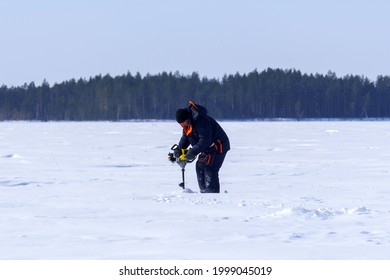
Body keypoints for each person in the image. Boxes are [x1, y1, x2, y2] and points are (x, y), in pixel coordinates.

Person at [174, 101, 230, 193]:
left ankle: (212, 195)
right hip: (207, 148)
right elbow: (186, 138)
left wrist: (192, 152)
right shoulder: (188, 124)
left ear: (188, 118)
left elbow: (205, 141)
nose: (183, 125)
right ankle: (204, 193)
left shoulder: (201, 121)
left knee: (210, 167)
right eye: (181, 124)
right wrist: (180, 149)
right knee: (200, 166)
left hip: (218, 145)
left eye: (184, 123)